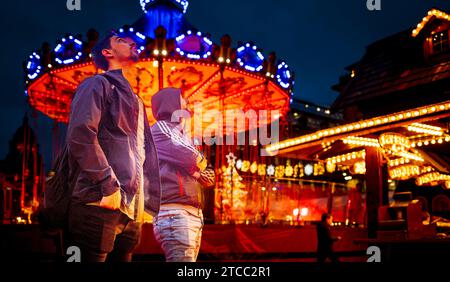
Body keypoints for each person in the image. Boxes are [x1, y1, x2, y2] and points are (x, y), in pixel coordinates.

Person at [65, 31, 161, 262]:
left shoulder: (137, 101)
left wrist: (149, 201)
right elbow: (80, 134)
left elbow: (143, 153)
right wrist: (107, 185)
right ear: (107, 53)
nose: (132, 42)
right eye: (120, 40)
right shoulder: (97, 84)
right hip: (100, 201)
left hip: (131, 209)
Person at [151, 87, 213, 262]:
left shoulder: (182, 134)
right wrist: (197, 166)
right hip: (175, 213)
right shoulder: (161, 128)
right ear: (170, 101)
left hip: (189, 213)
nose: (186, 100)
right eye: (181, 97)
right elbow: (193, 158)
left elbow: (208, 176)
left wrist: (196, 168)